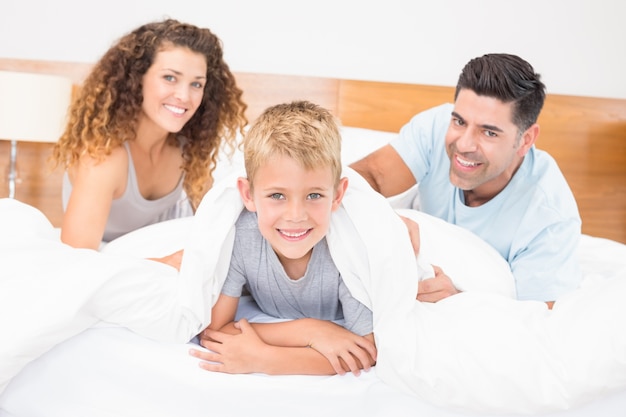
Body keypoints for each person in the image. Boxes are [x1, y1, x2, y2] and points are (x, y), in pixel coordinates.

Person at [351, 53, 582, 308]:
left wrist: (460, 301)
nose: (464, 144)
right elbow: (369, 176)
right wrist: (383, 219)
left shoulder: (549, 216)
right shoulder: (436, 128)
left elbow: (536, 319)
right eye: (459, 121)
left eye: (489, 132)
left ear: (526, 140)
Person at [189, 101, 377, 376]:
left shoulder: (346, 246)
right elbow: (215, 330)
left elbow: (367, 350)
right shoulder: (243, 236)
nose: (296, 215)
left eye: (314, 195)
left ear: (337, 194)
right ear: (248, 194)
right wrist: (311, 330)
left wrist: (266, 359)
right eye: (277, 195)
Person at [50, 19, 247, 254]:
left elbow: (211, 225)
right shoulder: (104, 157)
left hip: (145, 253)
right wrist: (163, 264)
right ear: (136, 78)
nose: (184, 96)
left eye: (196, 84)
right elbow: (76, 260)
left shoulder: (188, 150)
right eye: (170, 78)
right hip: (105, 262)